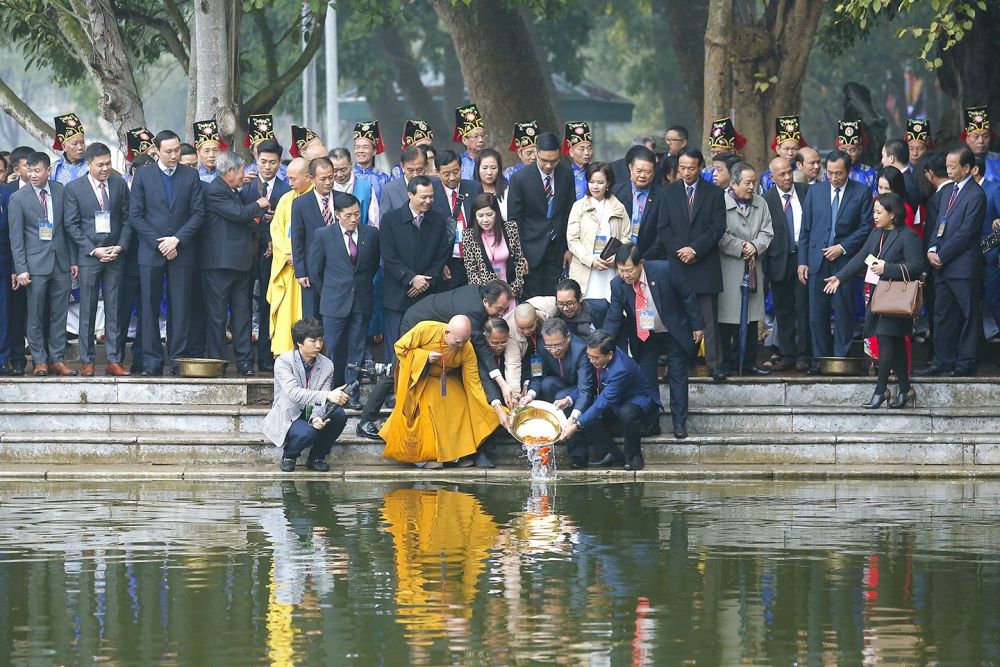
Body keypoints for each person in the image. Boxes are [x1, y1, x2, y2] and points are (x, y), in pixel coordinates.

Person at [356, 281, 514, 440]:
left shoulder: (479, 294)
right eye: (499, 309)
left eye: (505, 310)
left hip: (443, 333)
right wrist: (502, 384)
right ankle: (366, 421)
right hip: (417, 324)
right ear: (486, 302)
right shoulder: (472, 313)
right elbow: (483, 353)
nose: (501, 314)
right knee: (395, 371)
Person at [823, 193, 925, 408]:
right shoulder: (876, 233)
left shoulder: (908, 236)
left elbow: (917, 266)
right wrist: (840, 277)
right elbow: (862, 257)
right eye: (874, 212)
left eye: (879, 212)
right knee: (895, 344)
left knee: (886, 341)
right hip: (879, 297)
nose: (875, 216)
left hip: (897, 299)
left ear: (893, 214)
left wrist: (887, 268)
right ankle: (905, 389)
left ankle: (880, 391)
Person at [603, 244, 705, 440]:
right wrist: (604, 342)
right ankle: (652, 423)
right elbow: (614, 315)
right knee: (647, 380)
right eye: (621, 270)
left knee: (677, 376)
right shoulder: (617, 284)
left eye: (629, 270)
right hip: (646, 336)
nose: (625, 275)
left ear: (640, 264)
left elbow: (687, 296)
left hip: (672, 331)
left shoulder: (664, 270)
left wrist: (697, 325)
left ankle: (679, 423)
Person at [128, 130, 205, 376]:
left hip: (181, 250)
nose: (174, 155)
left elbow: (198, 213)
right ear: (157, 151)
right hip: (151, 252)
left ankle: (178, 358)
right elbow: (135, 215)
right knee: (149, 307)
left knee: (180, 307)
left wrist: (177, 240)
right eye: (168, 151)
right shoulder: (143, 175)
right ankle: (151, 360)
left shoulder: (190, 175)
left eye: (177, 150)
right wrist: (159, 243)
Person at [379, 316, 500, 469]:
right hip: (420, 377)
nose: (461, 345)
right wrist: (424, 357)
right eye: (458, 342)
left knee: (460, 404)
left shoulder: (466, 348)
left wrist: (493, 407)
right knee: (431, 406)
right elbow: (400, 349)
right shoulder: (425, 329)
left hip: (445, 378)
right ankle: (426, 457)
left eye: (465, 341)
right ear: (447, 333)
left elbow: (473, 382)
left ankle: (455, 456)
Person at [797, 149, 873, 371]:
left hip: (844, 262)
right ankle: (819, 362)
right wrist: (803, 261)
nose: (833, 177)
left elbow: (866, 227)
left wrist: (842, 247)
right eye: (829, 173)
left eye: (838, 173)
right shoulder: (815, 191)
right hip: (817, 260)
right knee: (816, 315)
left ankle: (841, 360)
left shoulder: (861, 191)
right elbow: (806, 229)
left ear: (848, 171)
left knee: (843, 312)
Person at [657, 147, 728, 381]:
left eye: (691, 168)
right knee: (678, 317)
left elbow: (718, 227)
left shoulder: (714, 193)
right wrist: (682, 250)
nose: (686, 173)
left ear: (701, 167)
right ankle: (678, 364)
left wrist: (695, 249)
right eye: (682, 168)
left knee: (709, 318)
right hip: (677, 263)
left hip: (704, 262)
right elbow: (663, 229)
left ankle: (715, 365)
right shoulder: (667, 193)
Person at [916, 146, 987, 376]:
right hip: (942, 266)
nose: (948, 170)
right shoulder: (947, 191)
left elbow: (967, 232)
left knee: (968, 316)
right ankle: (942, 360)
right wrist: (931, 249)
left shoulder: (976, 194)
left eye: (952, 166)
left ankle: (965, 362)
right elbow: (938, 224)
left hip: (963, 267)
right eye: (947, 165)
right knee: (942, 314)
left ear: (967, 168)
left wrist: (942, 255)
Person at [64, 141, 131, 377]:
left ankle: (114, 360)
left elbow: (127, 218)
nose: (105, 168)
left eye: (108, 163)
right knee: (88, 308)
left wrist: (120, 246)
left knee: (114, 307)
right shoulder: (74, 188)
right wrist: (93, 250)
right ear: (89, 164)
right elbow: (71, 225)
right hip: (90, 257)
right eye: (100, 165)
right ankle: (87, 360)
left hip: (115, 254)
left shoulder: (119, 183)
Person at [8, 152, 78, 376]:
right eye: (30, 170)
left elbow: (67, 227)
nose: (33, 175)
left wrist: (73, 260)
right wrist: (21, 269)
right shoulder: (18, 198)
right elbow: (16, 238)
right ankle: (39, 360)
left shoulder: (60, 191)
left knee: (60, 313)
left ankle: (57, 359)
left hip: (61, 261)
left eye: (37, 171)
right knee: (35, 314)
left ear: (49, 170)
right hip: (35, 265)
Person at [201, 151, 270, 375]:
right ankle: (216, 362)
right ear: (230, 171)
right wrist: (259, 204)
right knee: (217, 316)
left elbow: (245, 220)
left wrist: (257, 218)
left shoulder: (232, 191)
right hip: (219, 265)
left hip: (240, 264)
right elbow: (238, 214)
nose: (243, 175)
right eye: (241, 171)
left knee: (242, 315)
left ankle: (245, 362)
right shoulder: (215, 191)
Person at [310, 192, 380, 402]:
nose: (353, 219)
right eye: (348, 215)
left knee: (357, 347)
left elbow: (373, 266)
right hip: (334, 301)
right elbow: (315, 271)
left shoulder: (371, 234)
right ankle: (332, 391)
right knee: (333, 347)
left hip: (361, 299)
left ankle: (352, 391)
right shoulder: (324, 234)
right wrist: (329, 292)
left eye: (357, 214)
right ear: (337, 214)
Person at [559, 329, 661, 471]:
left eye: (595, 357)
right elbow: (589, 383)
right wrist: (569, 399)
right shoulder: (596, 357)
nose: (591, 360)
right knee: (584, 411)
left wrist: (576, 426)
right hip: (613, 400)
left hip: (635, 400)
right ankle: (612, 453)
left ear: (609, 355)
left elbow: (603, 401)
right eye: (589, 356)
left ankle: (634, 457)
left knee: (626, 413)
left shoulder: (621, 369)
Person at [379, 175, 452, 364]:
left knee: (424, 344)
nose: (428, 201)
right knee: (396, 344)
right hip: (397, 293)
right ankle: (392, 380)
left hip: (426, 293)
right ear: (410, 195)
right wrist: (411, 278)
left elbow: (441, 255)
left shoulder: (438, 219)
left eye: (431, 196)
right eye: (423, 197)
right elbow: (388, 256)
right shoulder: (390, 219)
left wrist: (426, 281)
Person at [261, 318, 350, 473]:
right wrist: (327, 395)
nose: (318, 345)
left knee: (339, 415)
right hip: (289, 413)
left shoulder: (327, 364)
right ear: (299, 342)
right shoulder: (284, 361)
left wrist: (316, 417)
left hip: (312, 409)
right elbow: (293, 393)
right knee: (308, 433)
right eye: (313, 341)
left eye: (320, 340)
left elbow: (322, 401)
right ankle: (289, 456)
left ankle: (316, 457)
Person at [239, 139, 290, 372]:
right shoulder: (245, 185)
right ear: (256, 160)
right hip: (245, 250)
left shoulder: (286, 190)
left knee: (269, 303)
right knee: (243, 302)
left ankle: (267, 355)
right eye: (263, 161)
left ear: (279, 163)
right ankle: (244, 357)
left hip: (272, 253)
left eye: (272, 162)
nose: (267, 167)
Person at [718, 162, 773, 375]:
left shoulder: (761, 202)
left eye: (754, 182)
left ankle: (748, 362)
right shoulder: (720, 202)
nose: (752, 187)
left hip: (753, 267)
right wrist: (741, 247)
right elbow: (718, 233)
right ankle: (724, 363)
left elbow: (767, 232)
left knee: (751, 318)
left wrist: (755, 246)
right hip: (728, 268)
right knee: (726, 318)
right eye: (747, 183)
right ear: (733, 183)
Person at [519, 318, 596, 469]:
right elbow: (537, 375)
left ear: (568, 337)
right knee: (547, 384)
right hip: (559, 386)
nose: (553, 350)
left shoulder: (581, 349)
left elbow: (585, 388)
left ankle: (578, 453)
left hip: (580, 388)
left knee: (562, 397)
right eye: (549, 346)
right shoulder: (541, 347)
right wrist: (530, 395)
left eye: (558, 345)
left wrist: (573, 418)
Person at [508, 131, 575, 299]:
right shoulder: (519, 178)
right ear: (536, 153)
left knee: (554, 298)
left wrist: (568, 248)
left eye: (554, 161)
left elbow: (569, 212)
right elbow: (514, 220)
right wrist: (519, 255)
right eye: (544, 160)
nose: (548, 166)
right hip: (530, 249)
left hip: (557, 249)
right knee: (532, 299)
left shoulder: (566, 174)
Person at [761, 156, 810, 371]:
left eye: (789, 172)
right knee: (783, 310)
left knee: (803, 308)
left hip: (803, 257)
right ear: (772, 177)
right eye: (782, 174)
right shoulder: (766, 199)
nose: (788, 177)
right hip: (779, 261)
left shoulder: (805, 191)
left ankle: (804, 355)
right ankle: (788, 354)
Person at [567, 162, 629, 329]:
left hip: (610, 267)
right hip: (586, 267)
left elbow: (626, 237)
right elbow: (572, 239)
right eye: (591, 181)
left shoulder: (618, 207)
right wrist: (590, 260)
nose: (595, 186)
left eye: (600, 182)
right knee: (586, 310)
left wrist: (617, 257)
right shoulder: (579, 206)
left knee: (612, 307)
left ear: (608, 183)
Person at [268, 157, 312, 357]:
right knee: (286, 314)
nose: (290, 182)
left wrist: (300, 256)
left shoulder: (316, 199)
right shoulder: (286, 199)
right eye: (288, 178)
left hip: (307, 269)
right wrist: (288, 253)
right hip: (286, 266)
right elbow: (276, 230)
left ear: (308, 177)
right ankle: (284, 353)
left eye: (294, 179)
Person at [290, 156, 337, 318]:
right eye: (323, 179)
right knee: (312, 318)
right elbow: (297, 239)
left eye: (331, 177)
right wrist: (300, 272)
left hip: (337, 269)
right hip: (311, 271)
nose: (328, 182)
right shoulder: (300, 204)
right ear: (311, 178)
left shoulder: (342, 199)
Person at [433, 149, 483, 290]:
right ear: (437, 172)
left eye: (456, 171)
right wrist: (439, 264)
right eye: (446, 174)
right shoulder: (432, 193)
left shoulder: (475, 188)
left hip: (474, 260)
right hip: (449, 263)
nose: (452, 178)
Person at [3, 146, 33, 376]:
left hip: (37, 260)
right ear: (16, 169)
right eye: (27, 166)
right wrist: (16, 266)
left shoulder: (49, 190)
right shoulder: (8, 192)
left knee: (31, 313)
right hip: (12, 264)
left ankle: (36, 357)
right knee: (12, 313)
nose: (32, 170)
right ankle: (15, 357)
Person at [461, 193, 526, 300]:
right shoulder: (469, 236)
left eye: (489, 214)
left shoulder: (510, 229)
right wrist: (491, 295)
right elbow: (472, 271)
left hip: (510, 290)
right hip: (486, 295)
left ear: (497, 213)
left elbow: (519, 260)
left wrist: (513, 289)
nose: (485, 220)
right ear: (475, 216)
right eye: (480, 216)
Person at [614, 145, 661, 259]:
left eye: (648, 172)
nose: (642, 176)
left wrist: (646, 257)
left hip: (649, 257)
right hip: (619, 256)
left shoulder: (661, 195)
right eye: (639, 171)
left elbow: (662, 231)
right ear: (630, 168)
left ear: (654, 172)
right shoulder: (617, 191)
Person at [329, 147, 380, 228]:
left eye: (343, 170)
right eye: (335, 171)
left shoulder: (366, 187)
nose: (339, 174)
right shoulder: (326, 189)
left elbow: (373, 220)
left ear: (351, 165)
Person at [760, 115, 807, 191]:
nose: (790, 153)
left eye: (794, 149)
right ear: (778, 149)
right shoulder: (766, 177)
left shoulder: (805, 172)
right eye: (786, 149)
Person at [835, 119, 878, 195]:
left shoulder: (870, 174)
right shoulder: (828, 174)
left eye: (852, 150)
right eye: (844, 150)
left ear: (860, 150)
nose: (848, 154)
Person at [381, 145, 425, 213]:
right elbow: (384, 218)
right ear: (402, 166)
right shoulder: (389, 190)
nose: (415, 175)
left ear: (425, 165)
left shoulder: (436, 184)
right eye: (410, 170)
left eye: (419, 170)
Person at [962, 106, 1000, 183]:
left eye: (985, 136)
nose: (981, 141)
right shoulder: (959, 161)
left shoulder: (998, 159)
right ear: (967, 139)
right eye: (976, 137)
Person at [702, 117, 746, 182]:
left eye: (718, 152)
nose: (714, 156)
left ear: (732, 152)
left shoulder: (743, 173)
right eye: (712, 152)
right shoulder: (705, 174)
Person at [352, 120, 389, 196]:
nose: (360, 151)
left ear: (374, 151)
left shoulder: (382, 178)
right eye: (357, 147)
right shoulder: (347, 176)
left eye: (365, 147)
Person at [51, 112, 88, 185]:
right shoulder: (55, 168)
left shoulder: (92, 165)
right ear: (64, 147)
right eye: (75, 144)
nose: (80, 147)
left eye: (82, 142)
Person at [454, 104, 486, 180]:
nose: (481, 140)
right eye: (475, 136)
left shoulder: (490, 159)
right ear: (464, 140)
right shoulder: (458, 162)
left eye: (483, 136)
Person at [474, 147, 508, 220]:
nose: (489, 172)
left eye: (493, 168)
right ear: (477, 169)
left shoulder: (508, 192)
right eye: (484, 168)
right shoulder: (470, 192)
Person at [564, 121, 593, 200]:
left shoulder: (597, 172)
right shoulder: (565, 175)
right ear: (571, 152)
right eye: (581, 149)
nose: (587, 153)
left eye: (589, 148)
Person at [193, 119, 225, 183]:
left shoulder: (226, 175)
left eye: (215, 150)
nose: (212, 155)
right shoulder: (193, 176)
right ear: (198, 152)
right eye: (207, 151)